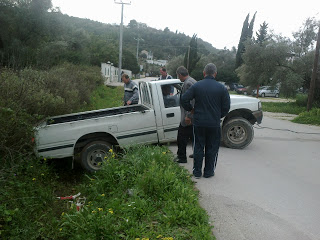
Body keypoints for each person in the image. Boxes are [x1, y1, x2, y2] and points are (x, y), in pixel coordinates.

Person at [181, 63, 230, 178]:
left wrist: (191, 110)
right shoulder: (222, 88)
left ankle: (197, 172)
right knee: (212, 148)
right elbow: (226, 107)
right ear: (215, 74)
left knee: (198, 146)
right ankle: (208, 172)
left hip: (199, 122)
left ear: (204, 73)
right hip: (214, 123)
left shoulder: (197, 86)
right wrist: (218, 115)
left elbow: (184, 99)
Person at [175, 66, 197, 163]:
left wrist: (188, 116)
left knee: (181, 137)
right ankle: (197, 153)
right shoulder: (192, 80)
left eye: (178, 75)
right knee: (193, 136)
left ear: (179, 74)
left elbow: (191, 101)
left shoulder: (188, 83)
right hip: (193, 116)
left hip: (188, 117)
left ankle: (182, 157)